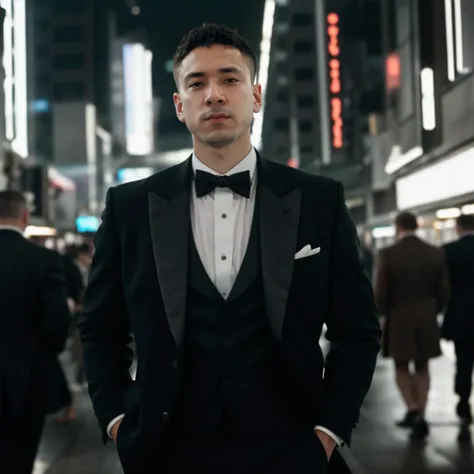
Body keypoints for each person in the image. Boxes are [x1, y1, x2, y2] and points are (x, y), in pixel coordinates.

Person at [79, 23, 381, 474]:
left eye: (230, 79)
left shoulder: (319, 199)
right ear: (180, 106)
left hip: (292, 448)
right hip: (166, 452)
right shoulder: (129, 206)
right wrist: (120, 423)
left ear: (255, 96)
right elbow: (101, 329)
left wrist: (328, 433)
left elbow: (357, 330)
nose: (214, 94)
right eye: (197, 83)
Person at [0, 190, 70, 472]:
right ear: (25, 216)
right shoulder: (44, 260)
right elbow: (57, 323)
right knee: (19, 458)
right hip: (28, 380)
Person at [374, 211, 450, 440]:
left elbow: (380, 291)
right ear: (417, 226)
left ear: (398, 227)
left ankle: (412, 409)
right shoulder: (434, 252)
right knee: (423, 366)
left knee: (400, 366)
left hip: (398, 315)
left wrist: (384, 312)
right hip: (426, 315)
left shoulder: (387, 254)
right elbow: (444, 291)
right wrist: (432, 310)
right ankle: (422, 414)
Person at [442, 214, 474, 442]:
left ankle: (463, 402)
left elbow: (443, 287)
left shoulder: (448, 251)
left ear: (457, 227)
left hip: (462, 316)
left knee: (463, 361)